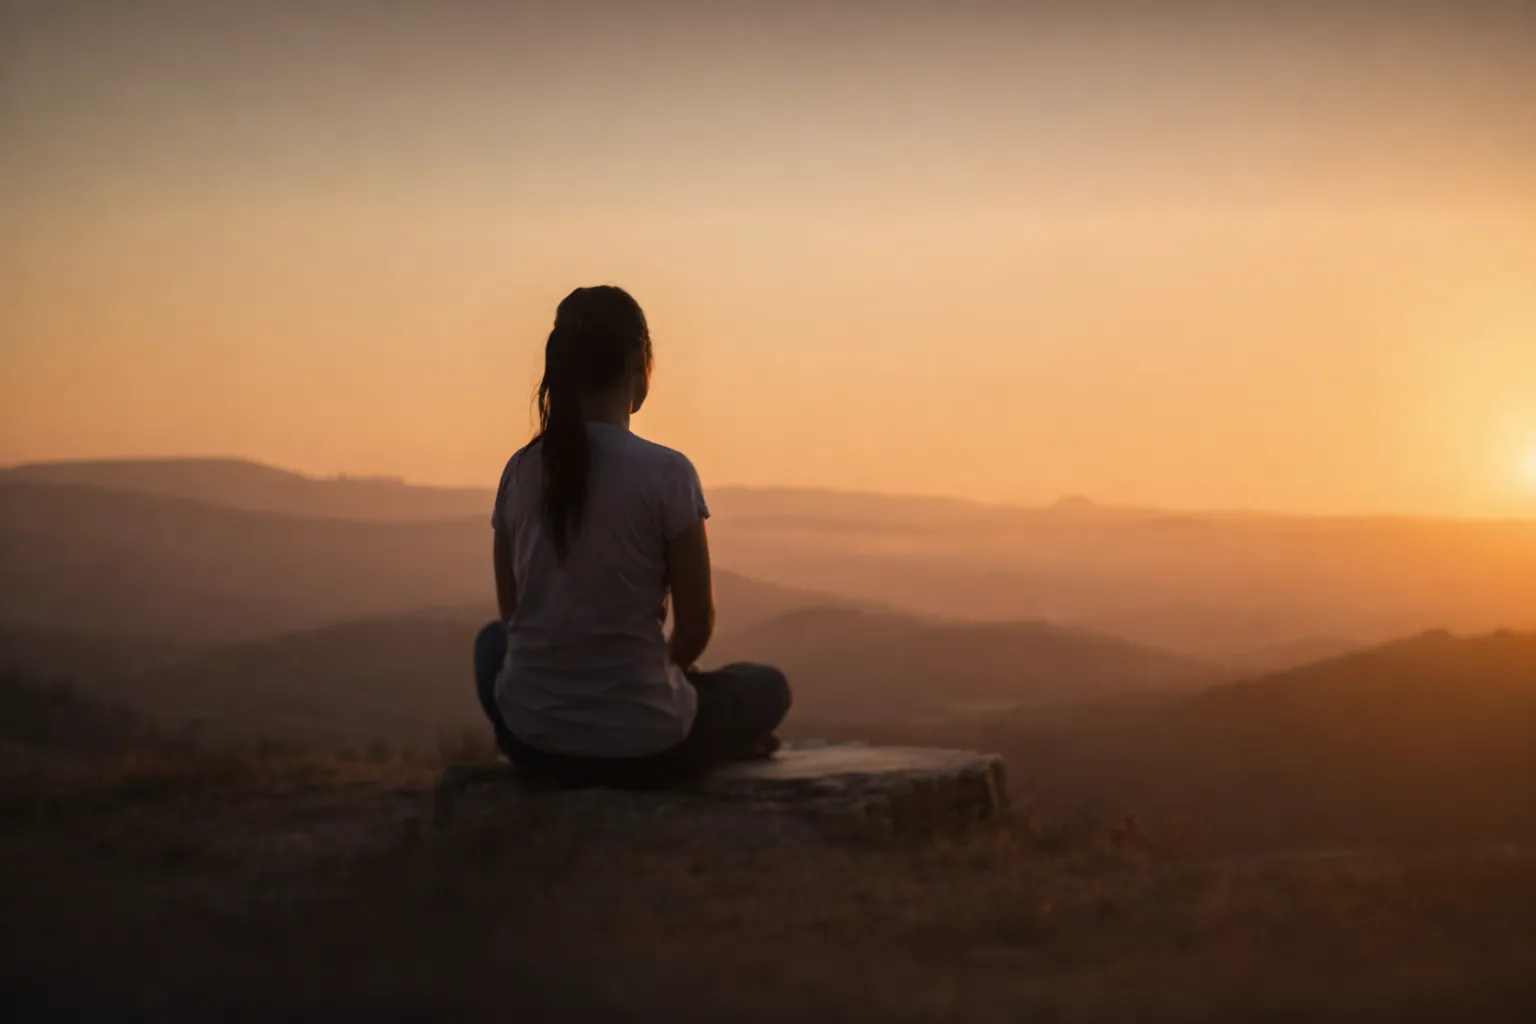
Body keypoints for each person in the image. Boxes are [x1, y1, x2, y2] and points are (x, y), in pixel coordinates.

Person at [473, 285, 791, 788]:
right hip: (647, 748)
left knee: (490, 645)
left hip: (532, 742)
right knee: (769, 687)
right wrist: (653, 676)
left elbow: (514, 618)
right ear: (636, 365)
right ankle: (718, 736)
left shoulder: (519, 471)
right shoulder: (668, 474)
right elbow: (694, 627)